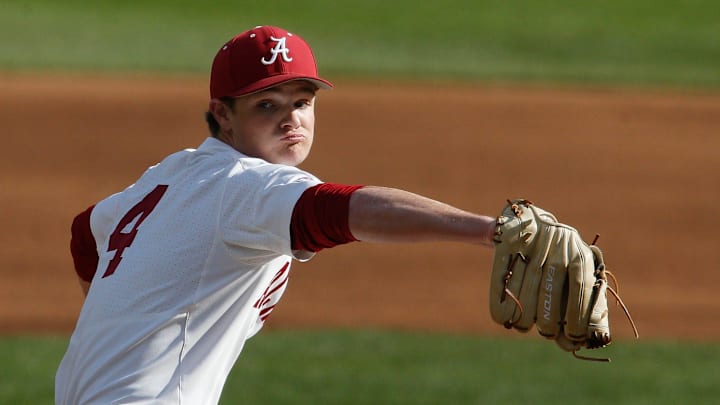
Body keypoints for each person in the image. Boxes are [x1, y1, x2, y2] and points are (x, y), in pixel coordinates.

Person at [55, 25, 497, 404]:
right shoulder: (243, 185)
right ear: (223, 116)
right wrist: (487, 231)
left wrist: (123, 327)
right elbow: (337, 210)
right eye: (267, 105)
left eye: (302, 102)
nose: (292, 121)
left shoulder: (172, 173)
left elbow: (85, 234)